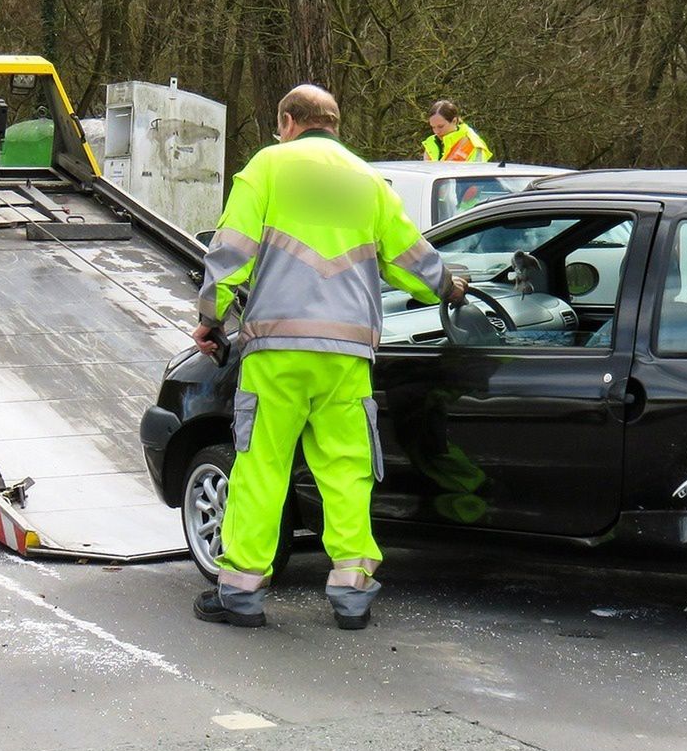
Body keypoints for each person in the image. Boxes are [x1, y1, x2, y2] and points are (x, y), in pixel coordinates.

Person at [192, 84, 463, 630]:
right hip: (347, 355)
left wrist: (211, 316)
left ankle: (242, 591)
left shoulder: (267, 167)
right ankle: (351, 592)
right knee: (347, 470)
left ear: (289, 121)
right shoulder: (370, 182)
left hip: (277, 352)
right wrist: (449, 287)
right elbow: (410, 257)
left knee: (262, 465)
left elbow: (232, 251)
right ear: (334, 125)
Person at [421, 99, 492, 163]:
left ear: (454, 121)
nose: (436, 131)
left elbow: (477, 175)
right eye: (433, 127)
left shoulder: (474, 143)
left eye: (440, 126)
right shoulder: (431, 142)